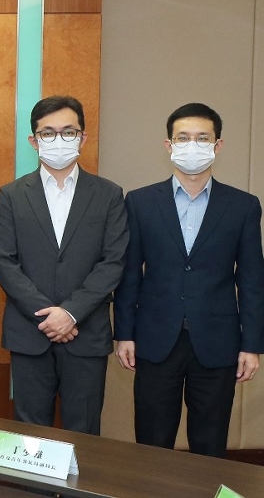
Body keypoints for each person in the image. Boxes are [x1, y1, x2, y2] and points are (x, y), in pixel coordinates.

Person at [114, 103, 262, 457]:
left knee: (210, 447)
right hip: (154, 339)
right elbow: (129, 274)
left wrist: (252, 344)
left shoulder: (243, 206)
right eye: (183, 138)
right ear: (169, 145)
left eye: (202, 138)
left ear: (218, 145)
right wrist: (124, 334)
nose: (192, 145)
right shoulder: (140, 202)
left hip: (218, 342)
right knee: (152, 443)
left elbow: (252, 280)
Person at [0, 95, 127, 435]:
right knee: (29, 436)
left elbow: (113, 262)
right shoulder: (11, 195)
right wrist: (48, 316)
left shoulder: (109, 194)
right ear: (33, 141)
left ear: (83, 137)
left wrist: (70, 313)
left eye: (68, 131)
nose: (58, 139)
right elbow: (4, 262)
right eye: (48, 133)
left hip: (86, 333)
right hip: (29, 334)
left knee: (84, 433)